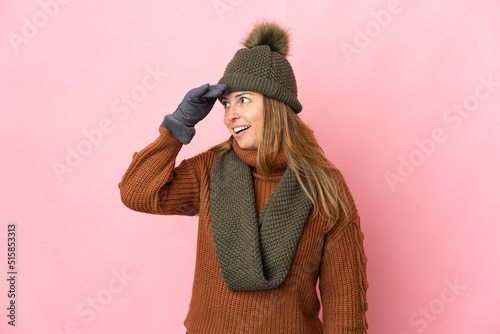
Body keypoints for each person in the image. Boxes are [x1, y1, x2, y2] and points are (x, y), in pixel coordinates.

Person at [119, 21, 368, 334]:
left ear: (276, 105)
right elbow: (138, 193)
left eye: (244, 100)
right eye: (226, 102)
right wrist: (178, 126)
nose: (229, 115)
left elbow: (345, 305)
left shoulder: (323, 186)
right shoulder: (210, 170)